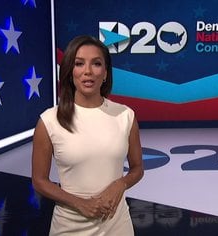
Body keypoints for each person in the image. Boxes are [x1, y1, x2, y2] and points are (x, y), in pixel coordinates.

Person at [31, 35, 144, 235]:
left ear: (106, 73)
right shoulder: (49, 121)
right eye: (79, 64)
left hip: (117, 224)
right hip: (69, 226)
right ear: (69, 72)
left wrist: (121, 184)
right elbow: (39, 181)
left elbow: (137, 169)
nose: (88, 72)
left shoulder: (125, 115)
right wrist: (80, 203)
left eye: (97, 64)